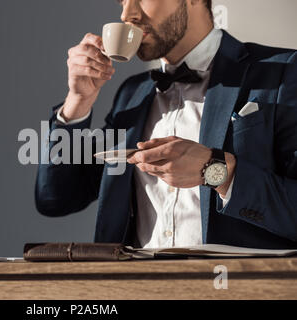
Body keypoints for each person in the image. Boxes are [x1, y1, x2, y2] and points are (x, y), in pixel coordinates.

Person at [35, 0, 297, 249]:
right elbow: (56, 198)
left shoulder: (283, 72)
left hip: (235, 290)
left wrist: (215, 170)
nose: (127, 15)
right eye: (122, 2)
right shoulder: (131, 94)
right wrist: (77, 103)